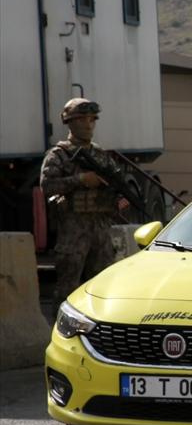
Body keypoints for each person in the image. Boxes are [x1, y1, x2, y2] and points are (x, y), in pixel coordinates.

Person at [40, 98, 125, 306]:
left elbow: (117, 184)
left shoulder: (101, 155)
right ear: (70, 123)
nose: (88, 125)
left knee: (102, 287)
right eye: (82, 120)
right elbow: (47, 185)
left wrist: (119, 198)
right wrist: (80, 180)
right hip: (73, 231)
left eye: (91, 120)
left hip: (101, 230)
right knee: (68, 289)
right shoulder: (59, 155)